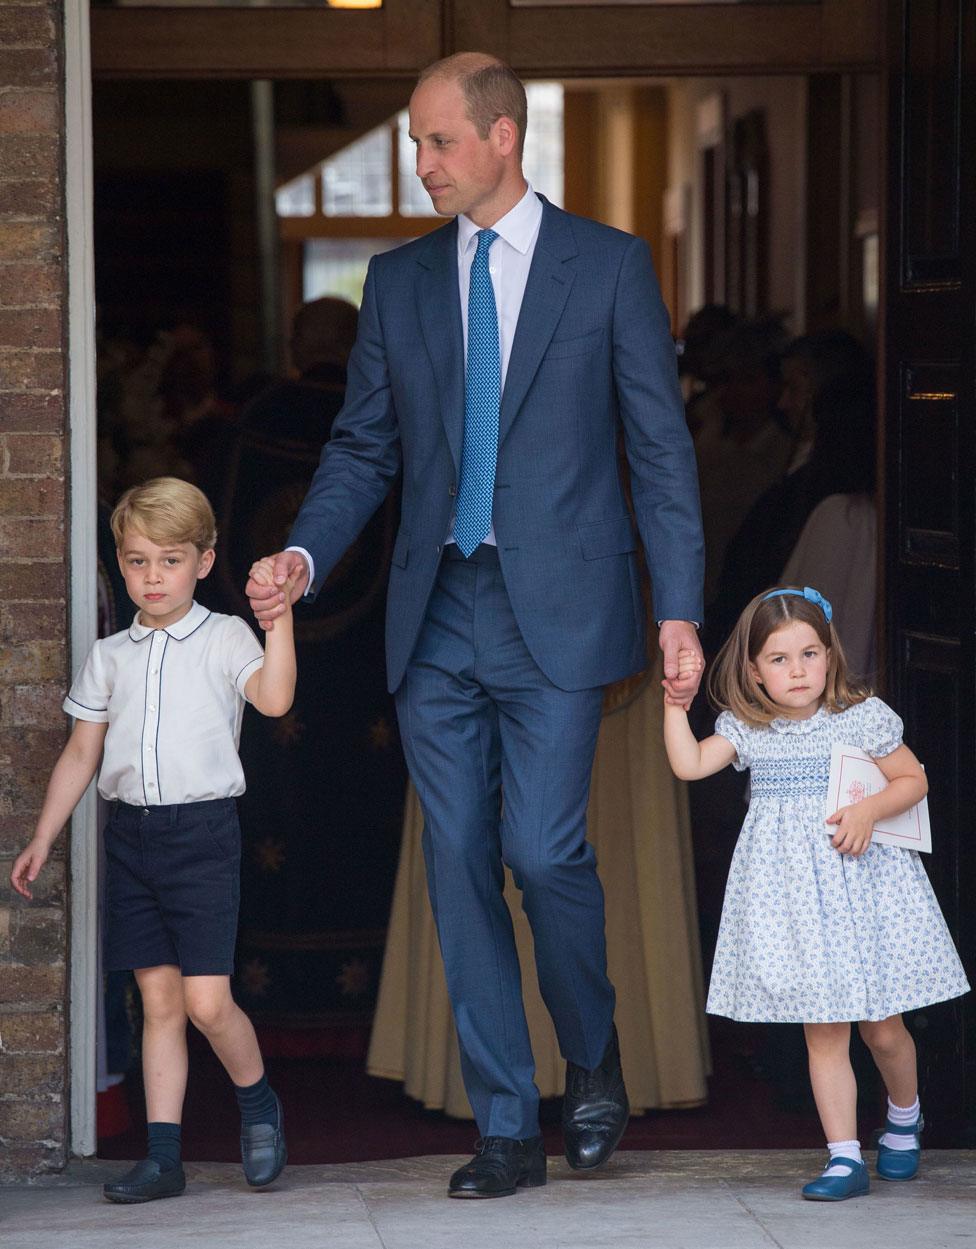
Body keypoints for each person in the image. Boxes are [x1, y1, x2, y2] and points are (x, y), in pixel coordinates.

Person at [246, 52, 705, 1198]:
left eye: (439, 140)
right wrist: (304, 552)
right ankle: (506, 1124)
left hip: (560, 610)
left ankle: (590, 1055)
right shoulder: (398, 284)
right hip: (435, 611)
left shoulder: (607, 267)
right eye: (415, 141)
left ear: (503, 138)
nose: (422, 162)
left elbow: (657, 448)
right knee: (455, 865)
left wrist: (682, 608)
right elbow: (364, 446)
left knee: (542, 852)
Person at [9, 478, 296, 1204]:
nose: (153, 577)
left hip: (201, 837)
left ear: (203, 561)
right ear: (120, 562)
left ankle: (258, 1101)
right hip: (131, 838)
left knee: (205, 1001)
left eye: (170, 560)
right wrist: (45, 833)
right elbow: (81, 753)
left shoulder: (227, 635)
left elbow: (274, 698)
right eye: (137, 562)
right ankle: (163, 1156)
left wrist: (280, 620)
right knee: (159, 1000)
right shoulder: (111, 654)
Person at [662, 587, 969, 1201]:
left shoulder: (861, 718)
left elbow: (913, 779)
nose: (797, 670)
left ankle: (904, 1118)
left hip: (865, 892)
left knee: (883, 1029)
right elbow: (691, 764)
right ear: (753, 670)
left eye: (808, 653)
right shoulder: (751, 729)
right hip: (797, 901)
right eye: (778, 659)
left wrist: (869, 810)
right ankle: (844, 1157)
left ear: (830, 656)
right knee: (823, 1031)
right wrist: (676, 705)